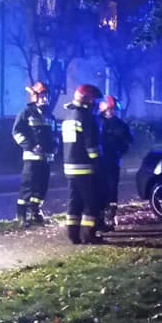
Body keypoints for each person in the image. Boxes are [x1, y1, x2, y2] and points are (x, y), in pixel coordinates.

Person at [62, 84, 103, 244]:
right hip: (84, 168)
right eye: (94, 101)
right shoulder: (86, 118)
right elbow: (91, 145)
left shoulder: (69, 116)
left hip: (70, 167)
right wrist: (98, 161)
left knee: (74, 201)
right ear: (87, 100)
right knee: (90, 202)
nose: (96, 105)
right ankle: (88, 234)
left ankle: (73, 235)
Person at [11, 81, 56, 225]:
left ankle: (35, 211)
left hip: (46, 158)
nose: (45, 99)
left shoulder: (49, 115)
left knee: (42, 187)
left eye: (46, 96)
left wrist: (55, 146)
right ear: (35, 96)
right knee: (28, 186)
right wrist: (30, 146)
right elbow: (17, 132)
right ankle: (21, 214)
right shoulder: (26, 113)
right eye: (42, 96)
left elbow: (54, 134)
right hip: (32, 157)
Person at [97, 94, 132, 231]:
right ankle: (99, 217)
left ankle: (111, 215)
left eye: (113, 110)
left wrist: (119, 152)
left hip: (112, 162)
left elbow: (127, 142)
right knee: (100, 190)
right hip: (99, 163)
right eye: (109, 110)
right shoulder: (97, 122)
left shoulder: (121, 125)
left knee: (112, 190)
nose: (111, 112)